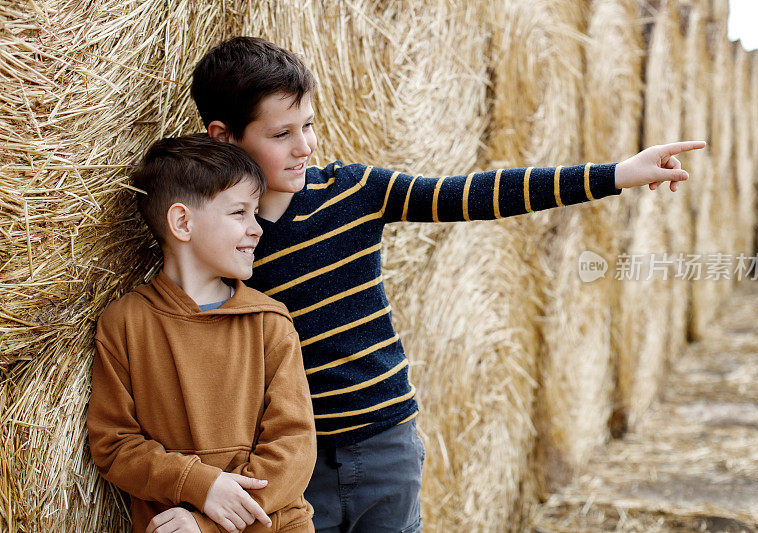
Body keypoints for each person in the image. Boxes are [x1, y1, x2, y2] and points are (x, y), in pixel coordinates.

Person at [191, 37, 706, 533]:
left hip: (385, 445)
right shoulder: (223, 238)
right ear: (223, 136)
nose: (304, 146)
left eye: (309, 125)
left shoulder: (355, 191)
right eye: (281, 135)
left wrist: (615, 173)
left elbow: (474, 194)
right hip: (289, 461)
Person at [86, 135, 316, 533]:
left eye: (256, 212)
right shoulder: (125, 323)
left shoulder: (269, 322)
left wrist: (208, 522)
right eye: (239, 213)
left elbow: (294, 446)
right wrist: (199, 484)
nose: (256, 228)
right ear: (182, 223)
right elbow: (114, 445)